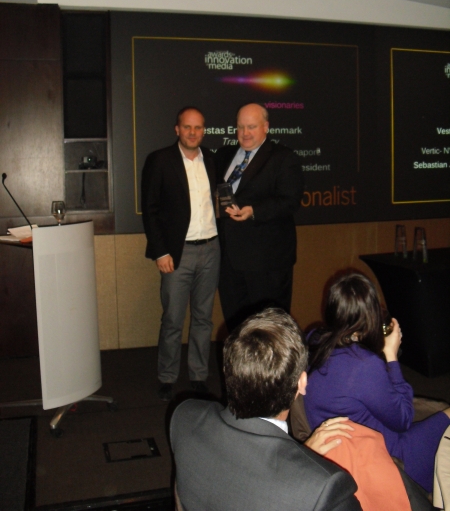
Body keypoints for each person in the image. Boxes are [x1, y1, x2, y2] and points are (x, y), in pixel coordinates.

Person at [170, 308, 362, 511]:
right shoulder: (324, 488)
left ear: (229, 370)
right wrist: (302, 458)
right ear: (302, 383)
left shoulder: (185, 418)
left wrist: (300, 457)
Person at [303, 272, 450, 494]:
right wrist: (391, 355)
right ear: (370, 315)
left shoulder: (314, 338)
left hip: (342, 450)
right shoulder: (364, 365)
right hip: (387, 457)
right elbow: (403, 419)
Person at [141, 106, 220, 401]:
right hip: (177, 253)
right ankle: (167, 377)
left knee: (203, 318)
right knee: (173, 319)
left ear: (204, 130)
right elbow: (150, 209)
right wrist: (160, 251)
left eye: (198, 127)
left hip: (211, 249)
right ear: (177, 129)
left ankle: (199, 375)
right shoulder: (160, 160)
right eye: (187, 127)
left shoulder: (211, 159)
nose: (192, 132)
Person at [215, 103, 304, 331]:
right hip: (229, 261)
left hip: (266, 262)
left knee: (269, 329)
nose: (245, 133)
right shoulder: (223, 155)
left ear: (266, 127)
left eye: (252, 127)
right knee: (236, 327)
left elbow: (290, 201)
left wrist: (254, 211)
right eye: (240, 127)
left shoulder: (283, 157)